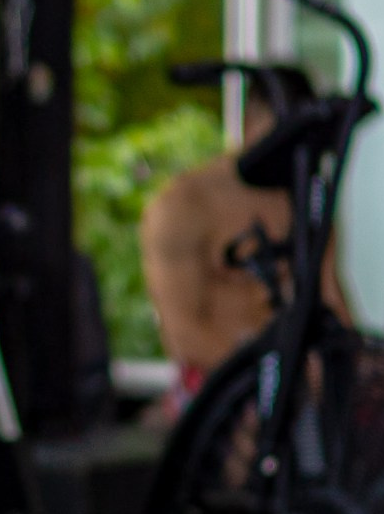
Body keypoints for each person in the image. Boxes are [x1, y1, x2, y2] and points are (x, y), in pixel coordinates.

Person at [140, 71, 346, 409]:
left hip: (297, 381)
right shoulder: (186, 203)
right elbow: (182, 334)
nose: (291, 149)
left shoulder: (308, 198)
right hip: (217, 384)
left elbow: (332, 296)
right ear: (250, 123)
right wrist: (275, 373)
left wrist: (357, 369)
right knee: (252, 430)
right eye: (282, 134)